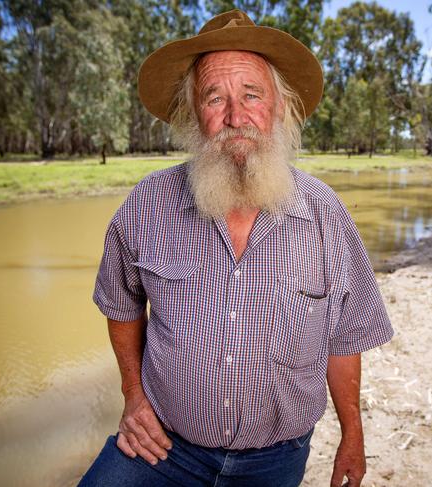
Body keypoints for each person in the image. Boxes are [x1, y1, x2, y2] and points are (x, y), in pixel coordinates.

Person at [79, 9, 393, 487]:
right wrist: (134, 397)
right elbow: (120, 304)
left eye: (251, 95)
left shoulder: (325, 213)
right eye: (214, 98)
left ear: (279, 107)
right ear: (194, 115)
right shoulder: (147, 204)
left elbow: (345, 336)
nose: (234, 116)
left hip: (276, 459)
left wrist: (353, 435)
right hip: (163, 444)